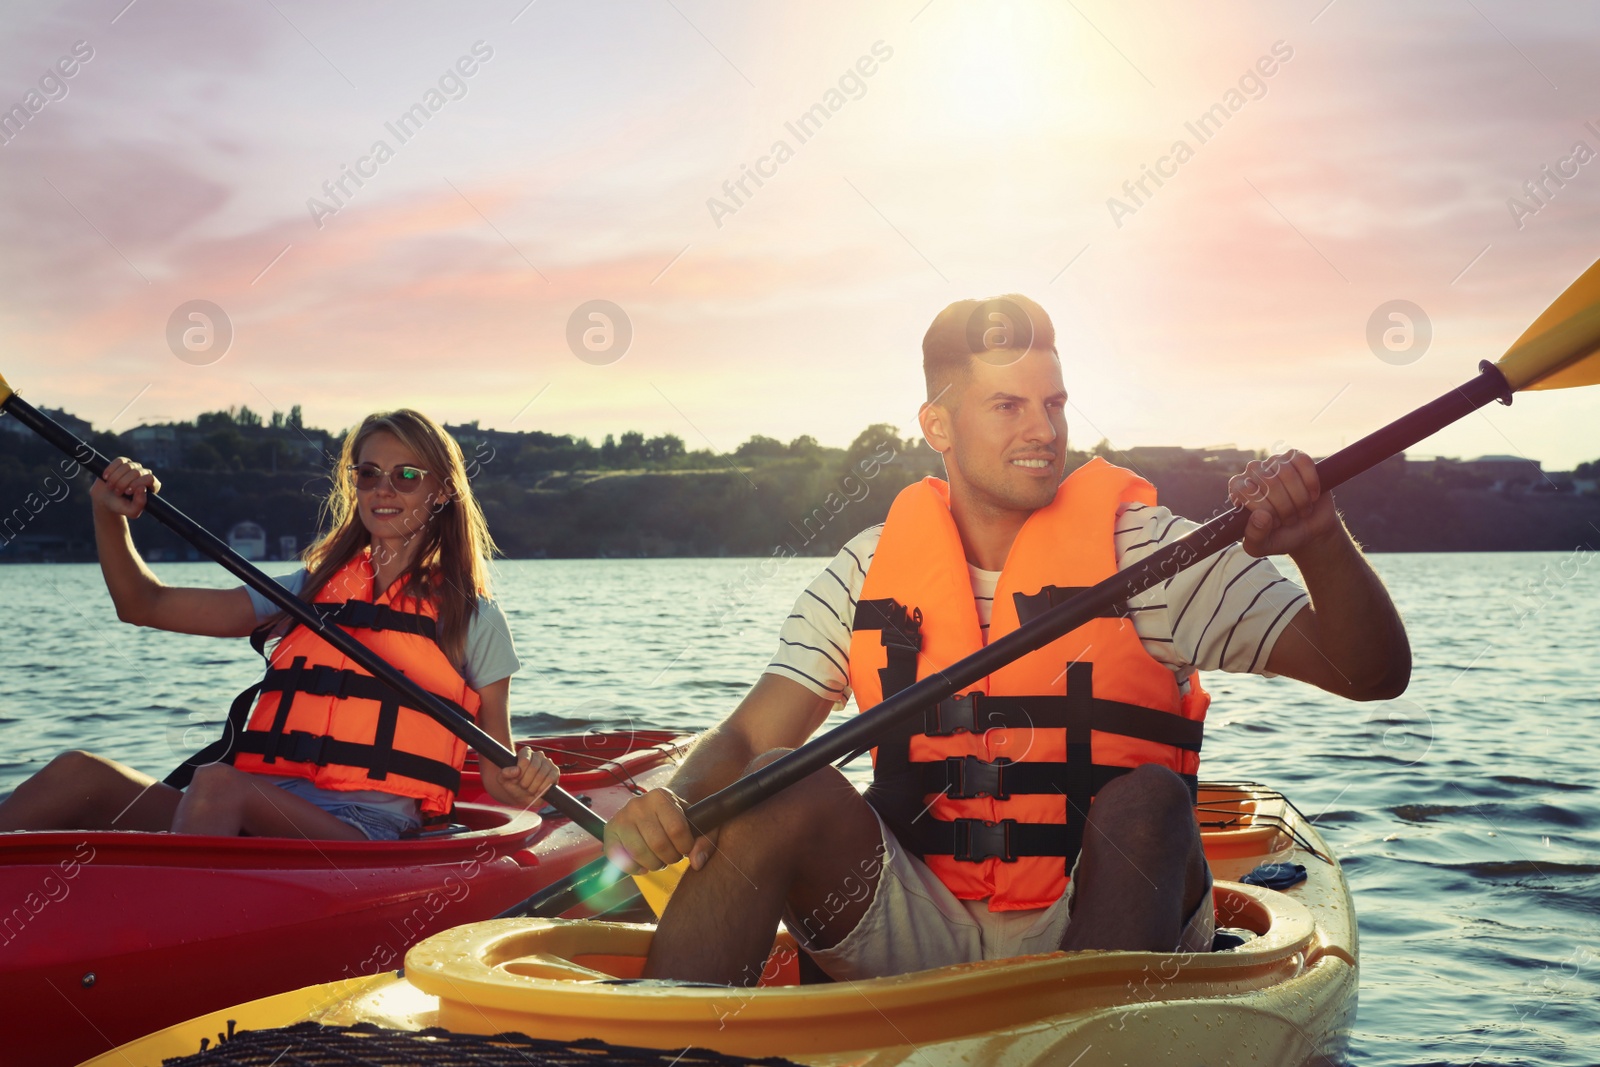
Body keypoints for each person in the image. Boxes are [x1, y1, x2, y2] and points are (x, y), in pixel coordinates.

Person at [605, 295, 1411, 984]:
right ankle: (655, 1045)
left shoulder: (1149, 555)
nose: (1044, 429)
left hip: (1100, 919)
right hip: (915, 927)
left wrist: (1319, 538)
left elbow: (1371, 671)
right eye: (1008, 406)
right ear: (938, 425)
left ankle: (1086, 1042)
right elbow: (749, 731)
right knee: (774, 779)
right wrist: (675, 797)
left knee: (1151, 801)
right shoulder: (868, 569)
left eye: (1054, 403)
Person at [0, 408, 557, 840]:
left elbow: (493, 770)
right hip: (254, 804)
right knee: (78, 772)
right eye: (368, 474)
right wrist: (108, 514)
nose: (384, 489)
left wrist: (522, 776)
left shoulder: (473, 618)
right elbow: (144, 605)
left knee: (217, 785)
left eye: (407, 475)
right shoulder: (306, 591)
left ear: (440, 492)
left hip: (366, 829)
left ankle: (176, 945)